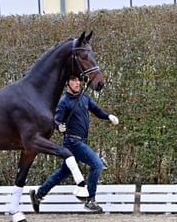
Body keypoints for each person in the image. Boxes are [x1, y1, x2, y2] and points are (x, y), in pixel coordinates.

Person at [30, 76, 119, 213]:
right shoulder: (64, 102)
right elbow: (56, 120)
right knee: (97, 164)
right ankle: (90, 200)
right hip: (72, 141)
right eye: (74, 80)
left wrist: (108, 116)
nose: (78, 83)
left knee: (63, 172)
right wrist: (59, 126)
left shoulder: (85, 98)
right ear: (67, 84)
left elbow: (97, 110)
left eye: (79, 80)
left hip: (81, 140)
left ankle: (38, 195)